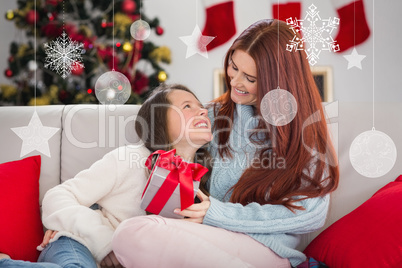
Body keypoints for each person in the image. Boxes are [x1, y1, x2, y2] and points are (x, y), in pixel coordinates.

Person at [111, 19, 339, 268]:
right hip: (209, 239)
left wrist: (216, 214)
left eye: (250, 78)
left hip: (267, 251)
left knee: (130, 235)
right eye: (233, 66)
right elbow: (155, 154)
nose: (235, 82)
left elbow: (311, 214)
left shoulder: (305, 132)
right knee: (130, 233)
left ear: (279, 83)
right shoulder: (211, 115)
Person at [0, 84, 211, 268]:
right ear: (159, 122)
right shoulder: (130, 158)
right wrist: (105, 242)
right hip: (78, 244)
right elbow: (57, 196)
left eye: (200, 106)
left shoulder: (202, 181)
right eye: (187, 106)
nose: (202, 111)